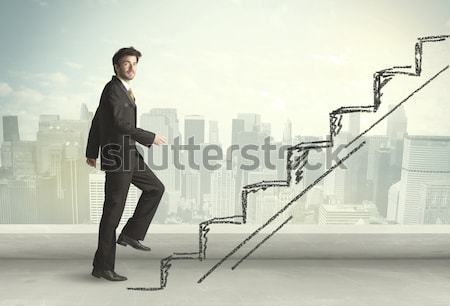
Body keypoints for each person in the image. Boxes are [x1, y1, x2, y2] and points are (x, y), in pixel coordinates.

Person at [85, 47, 167, 281]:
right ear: (116, 67)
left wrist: (91, 151)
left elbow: (97, 120)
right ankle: (103, 267)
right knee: (112, 212)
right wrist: (149, 137)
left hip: (128, 155)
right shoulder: (113, 90)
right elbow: (120, 124)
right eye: (126, 63)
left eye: (135, 64)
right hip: (118, 157)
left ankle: (130, 234)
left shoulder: (123, 90)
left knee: (156, 188)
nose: (132, 68)